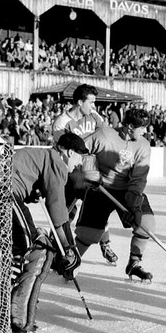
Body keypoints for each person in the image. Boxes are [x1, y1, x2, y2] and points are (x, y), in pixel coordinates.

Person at [0, 133, 88, 333]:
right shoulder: (57, 161)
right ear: (68, 152)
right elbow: (57, 211)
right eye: (79, 156)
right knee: (25, 250)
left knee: (22, 251)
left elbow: (25, 178)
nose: (80, 162)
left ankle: (12, 315)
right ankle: (2, 317)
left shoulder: (42, 157)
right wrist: (68, 249)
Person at [75, 108, 156, 282]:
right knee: (89, 234)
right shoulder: (104, 135)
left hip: (127, 190)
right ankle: (69, 261)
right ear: (128, 126)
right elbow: (79, 148)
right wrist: (89, 170)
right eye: (141, 128)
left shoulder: (143, 145)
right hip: (100, 188)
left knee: (145, 224)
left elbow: (139, 177)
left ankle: (134, 263)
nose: (145, 131)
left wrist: (133, 204)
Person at [51, 84, 118, 265]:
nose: (93, 107)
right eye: (91, 102)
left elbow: (106, 134)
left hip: (93, 169)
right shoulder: (62, 122)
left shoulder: (93, 116)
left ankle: (105, 243)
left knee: (98, 206)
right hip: (71, 172)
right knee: (64, 212)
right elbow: (65, 150)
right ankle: (56, 249)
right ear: (80, 102)